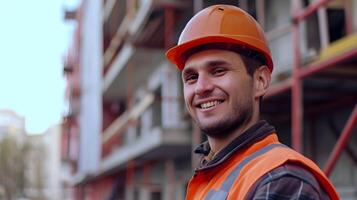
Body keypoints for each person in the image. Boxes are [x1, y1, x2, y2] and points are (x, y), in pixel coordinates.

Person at [165, 4, 339, 200]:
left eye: (218, 71)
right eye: (191, 77)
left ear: (260, 81)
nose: (201, 87)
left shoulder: (281, 180)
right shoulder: (215, 174)